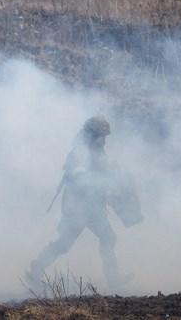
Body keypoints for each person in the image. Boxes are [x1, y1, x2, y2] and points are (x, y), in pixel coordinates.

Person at [27, 115, 139, 290]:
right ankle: (36, 268)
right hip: (78, 207)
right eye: (101, 136)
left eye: (105, 136)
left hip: (92, 206)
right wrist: (100, 183)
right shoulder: (80, 153)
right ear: (92, 135)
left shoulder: (97, 151)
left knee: (107, 237)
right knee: (66, 243)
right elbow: (80, 178)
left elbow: (102, 174)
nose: (104, 140)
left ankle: (113, 277)